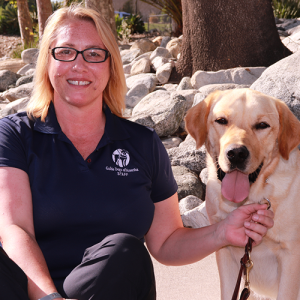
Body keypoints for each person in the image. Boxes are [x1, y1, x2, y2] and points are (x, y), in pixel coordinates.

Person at [0, 4, 274, 300]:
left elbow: (167, 241)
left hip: (109, 287)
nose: (79, 65)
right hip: (26, 290)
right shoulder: (15, 134)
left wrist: (222, 232)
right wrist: (50, 298)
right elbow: (15, 230)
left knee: (125, 251)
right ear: (47, 62)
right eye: (65, 52)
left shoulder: (142, 144)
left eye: (94, 53)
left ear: (110, 65)